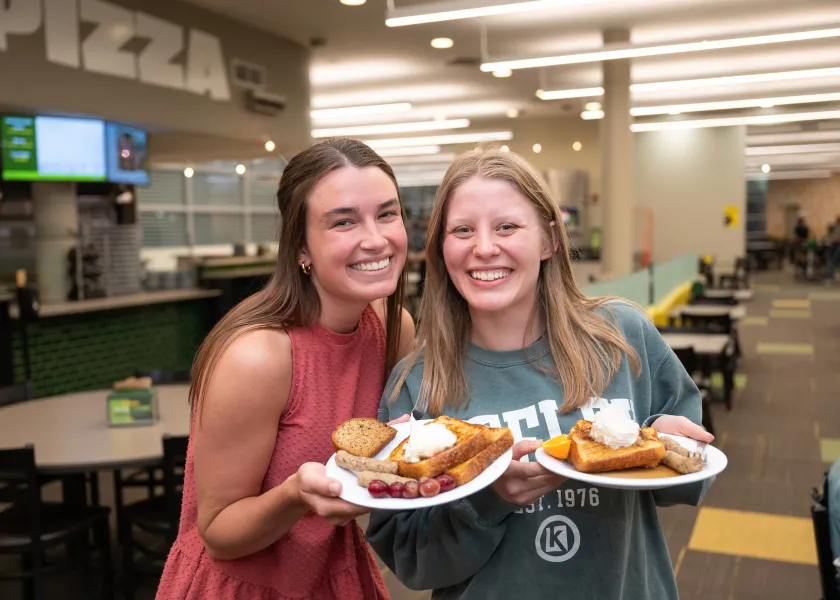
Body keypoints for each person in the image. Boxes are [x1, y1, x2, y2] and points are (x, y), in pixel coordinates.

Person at [367, 148, 714, 600]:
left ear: (550, 240)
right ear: (441, 248)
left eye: (507, 226)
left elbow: (695, 480)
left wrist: (667, 444)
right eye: (462, 230)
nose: (485, 247)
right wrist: (492, 497)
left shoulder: (622, 337)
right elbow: (412, 559)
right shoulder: (417, 385)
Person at [156, 138, 414, 600]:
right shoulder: (259, 355)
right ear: (301, 247)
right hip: (242, 586)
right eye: (343, 221)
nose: (376, 239)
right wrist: (295, 496)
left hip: (335, 575)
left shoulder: (392, 328)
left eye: (387, 214)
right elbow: (218, 532)